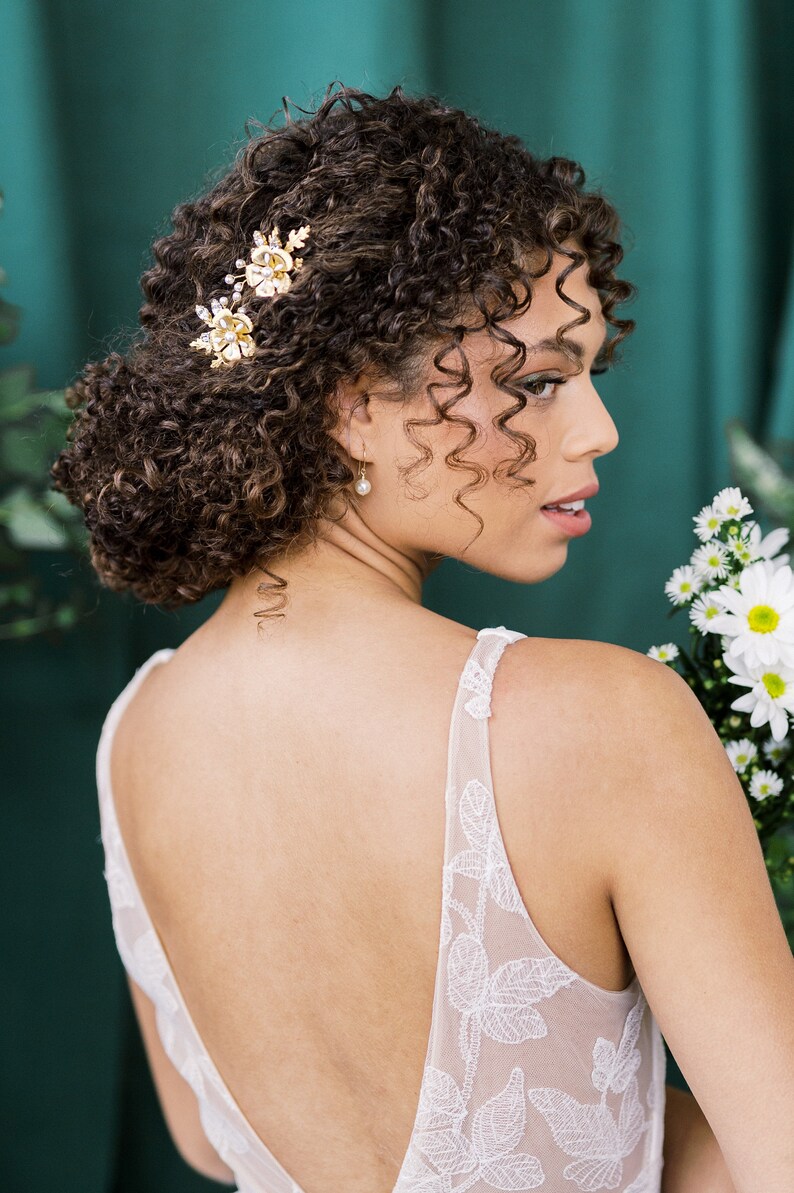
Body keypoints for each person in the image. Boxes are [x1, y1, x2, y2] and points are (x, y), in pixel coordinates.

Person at [51, 85, 793, 1193]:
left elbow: (208, 1136)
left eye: (590, 374)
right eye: (534, 382)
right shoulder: (600, 722)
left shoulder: (136, 731)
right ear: (350, 404)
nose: (596, 429)